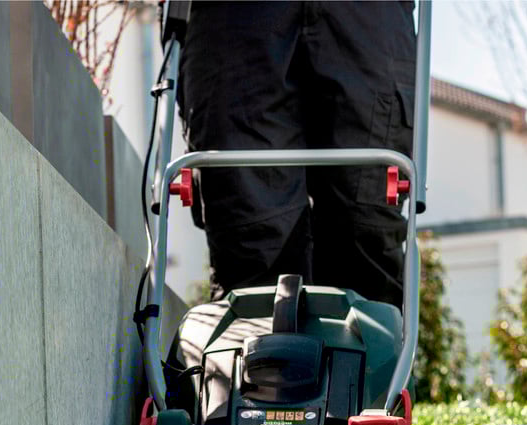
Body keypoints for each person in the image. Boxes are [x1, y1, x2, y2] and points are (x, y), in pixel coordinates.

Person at [177, 1, 416, 307]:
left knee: (364, 228)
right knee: (252, 235)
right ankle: (261, 350)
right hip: (232, 17)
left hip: (367, 16)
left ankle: (365, 347)